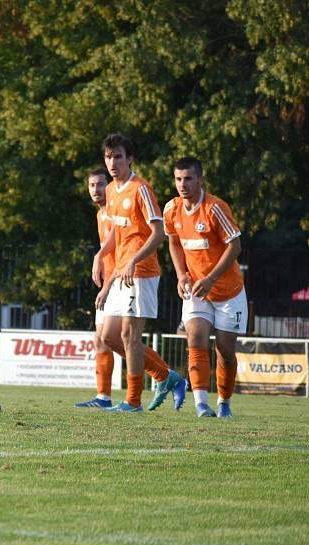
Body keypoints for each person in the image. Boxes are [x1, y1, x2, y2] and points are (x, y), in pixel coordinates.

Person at [93, 132, 186, 413]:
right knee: (108, 336)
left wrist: (135, 258)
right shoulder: (110, 191)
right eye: (108, 157)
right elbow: (116, 235)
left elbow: (158, 233)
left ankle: (132, 401)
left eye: (118, 156)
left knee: (130, 336)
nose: (112, 162)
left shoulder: (140, 189)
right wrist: (101, 254)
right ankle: (166, 375)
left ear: (130, 159)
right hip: (121, 271)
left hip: (141, 271)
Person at [164, 157, 245, 417]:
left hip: (228, 292)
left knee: (225, 351)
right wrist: (181, 274)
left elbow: (235, 247)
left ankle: (224, 402)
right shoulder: (171, 209)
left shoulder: (214, 208)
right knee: (195, 338)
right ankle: (200, 403)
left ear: (200, 179)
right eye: (178, 179)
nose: (182, 184)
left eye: (188, 178)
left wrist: (210, 278)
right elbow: (174, 243)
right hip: (196, 290)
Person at [75, 168, 117, 408]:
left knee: (118, 339)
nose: (96, 190)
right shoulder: (101, 215)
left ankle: (166, 376)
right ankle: (103, 397)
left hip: (121, 281)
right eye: (92, 185)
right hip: (109, 283)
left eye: (101, 184)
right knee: (101, 340)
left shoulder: (115, 212)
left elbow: (123, 253)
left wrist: (108, 285)